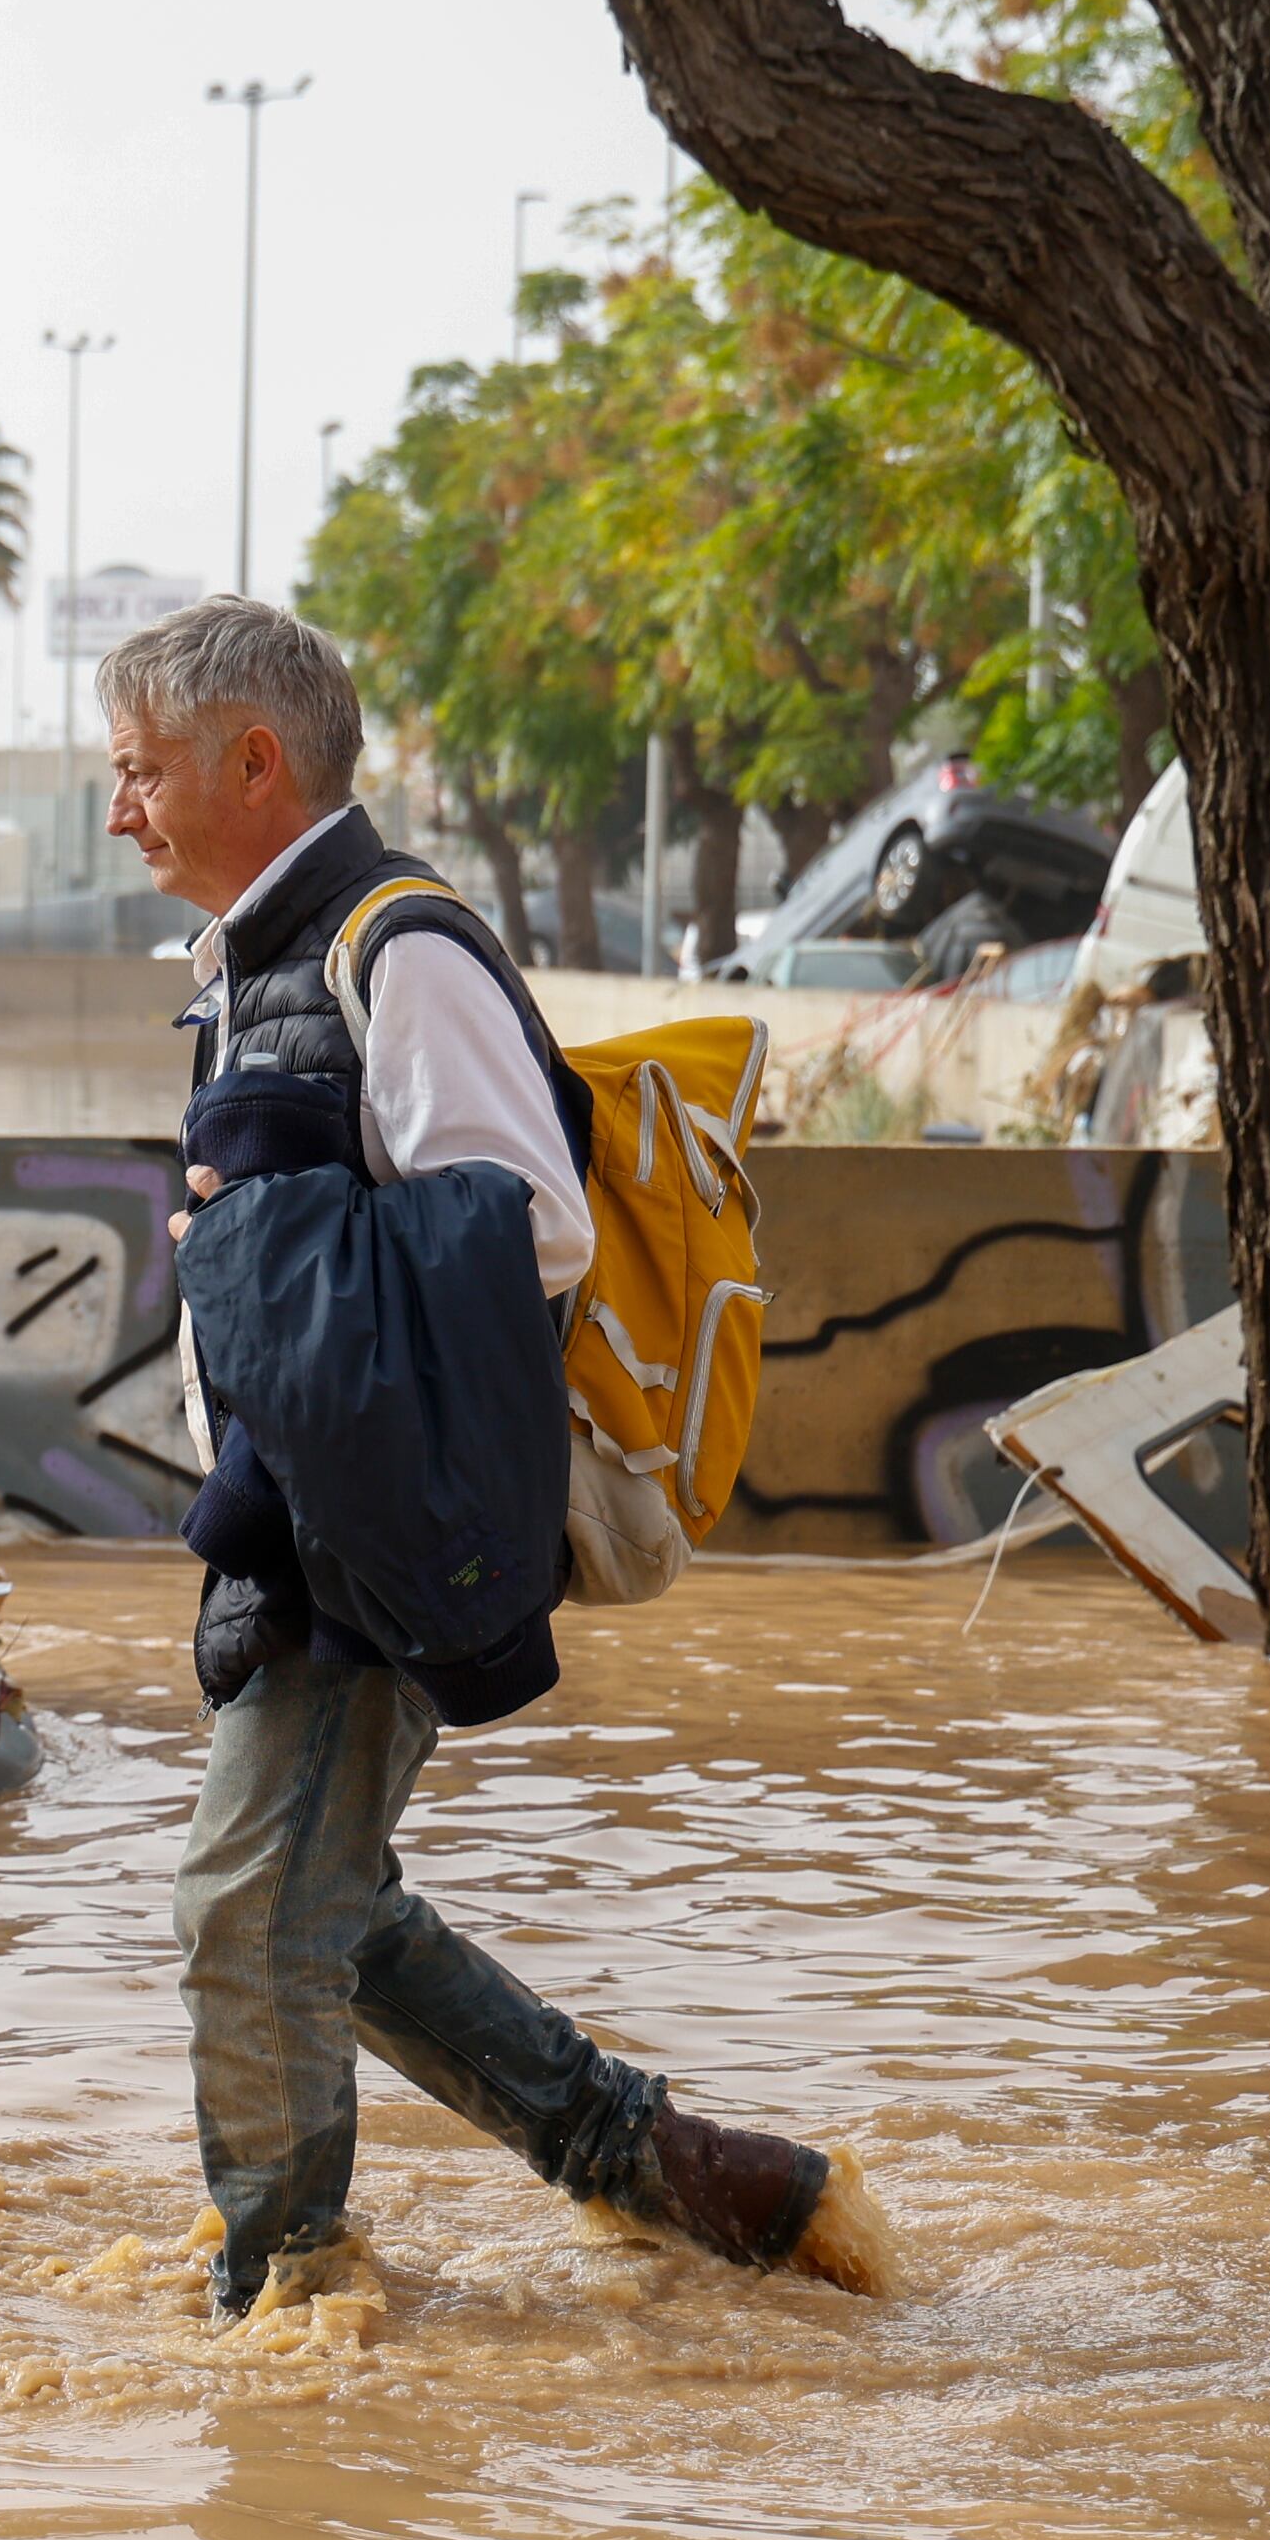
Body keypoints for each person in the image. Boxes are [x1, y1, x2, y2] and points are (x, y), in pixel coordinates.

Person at [103, 594, 891, 2318]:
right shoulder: (265, 965)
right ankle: (693, 2182)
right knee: (327, 1907)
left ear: (257, 760)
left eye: (140, 770)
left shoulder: (405, 946)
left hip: (364, 1527)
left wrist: (263, 1242)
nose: (119, 809)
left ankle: (290, 2307)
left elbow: (526, 1225)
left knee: (244, 1913)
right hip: (297, 1515)